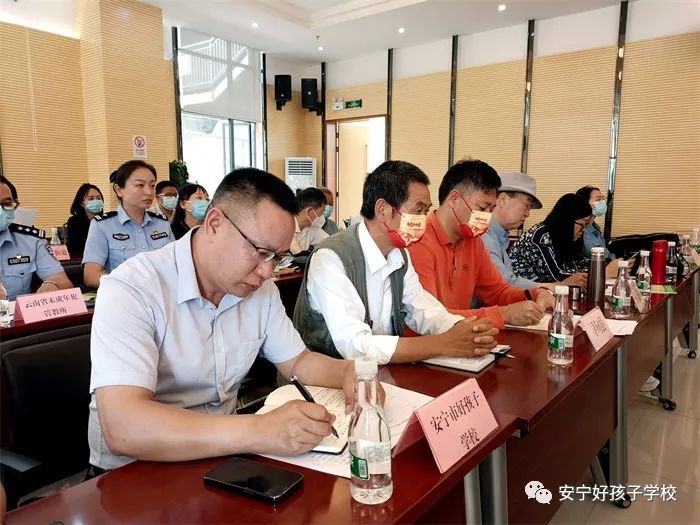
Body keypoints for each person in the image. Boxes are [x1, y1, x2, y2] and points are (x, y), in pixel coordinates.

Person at [88, 168, 358, 472]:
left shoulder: (260, 290)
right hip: (137, 472)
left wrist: (349, 371)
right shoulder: (132, 288)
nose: (267, 272)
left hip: (223, 454)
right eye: (260, 252)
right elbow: (123, 427)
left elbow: (297, 362)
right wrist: (261, 430)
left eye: (277, 257)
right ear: (215, 223)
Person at [293, 160, 499, 365]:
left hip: (378, 372)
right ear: (383, 209)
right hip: (327, 375)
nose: (423, 219)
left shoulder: (399, 253)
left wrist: (465, 329)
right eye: (417, 211)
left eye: (426, 211)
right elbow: (355, 344)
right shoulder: (330, 257)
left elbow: (423, 310)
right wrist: (444, 343)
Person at [408, 160, 554, 329]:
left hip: (463, 336)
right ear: (454, 199)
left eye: (490, 209)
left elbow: (496, 291)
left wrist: (535, 294)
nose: (487, 216)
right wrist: (503, 314)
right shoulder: (418, 241)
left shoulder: (473, 241)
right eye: (482, 208)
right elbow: (430, 317)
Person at [484, 172, 586, 288]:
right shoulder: (484, 235)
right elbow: (505, 283)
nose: (527, 214)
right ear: (503, 200)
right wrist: (558, 286)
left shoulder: (499, 236)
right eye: (526, 205)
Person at [82, 160, 173, 289]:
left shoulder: (162, 223)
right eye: (140, 185)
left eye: (152, 186)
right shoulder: (102, 225)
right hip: (126, 295)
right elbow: (91, 276)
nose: (149, 192)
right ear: (119, 190)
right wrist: (133, 284)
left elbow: (176, 264)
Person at [0, 176, 73, 300]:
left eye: (7, 204)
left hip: (16, 312)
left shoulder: (31, 241)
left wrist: (52, 286)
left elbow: (64, 284)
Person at [510, 193, 605, 283]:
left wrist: (602, 266)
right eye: (582, 224)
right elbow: (555, 277)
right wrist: (598, 274)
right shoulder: (539, 238)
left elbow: (578, 264)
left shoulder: (562, 238)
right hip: (522, 291)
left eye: (586, 225)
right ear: (567, 221)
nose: (584, 230)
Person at [575, 185, 616, 259]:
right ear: (585, 203)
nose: (603, 202)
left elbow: (604, 252)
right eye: (598, 199)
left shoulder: (595, 227)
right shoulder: (579, 228)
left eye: (603, 199)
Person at [66, 183, 105, 258]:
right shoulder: (74, 222)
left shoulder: (107, 220)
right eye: (91, 199)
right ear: (82, 203)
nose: (96, 201)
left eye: (98, 198)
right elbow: (75, 248)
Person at [290, 187, 329, 254]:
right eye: (321, 213)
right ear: (309, 211)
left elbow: (329, 242)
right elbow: (298, 254)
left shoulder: (310, 228)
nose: (322, 217)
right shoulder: (284, 226)